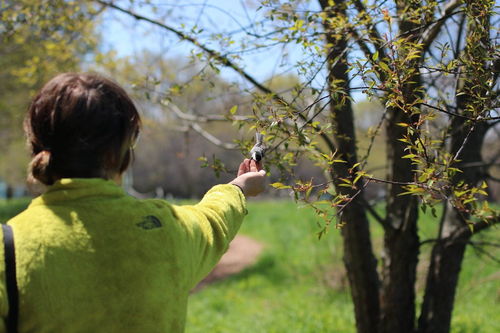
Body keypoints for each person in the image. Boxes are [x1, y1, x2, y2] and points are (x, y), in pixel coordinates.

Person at [0, 73, 267, 333]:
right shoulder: (167, 229)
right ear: (122, 153)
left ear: (36, 146)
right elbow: (214, 219)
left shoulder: (8, 248)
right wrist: (238, 189)